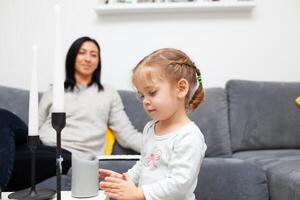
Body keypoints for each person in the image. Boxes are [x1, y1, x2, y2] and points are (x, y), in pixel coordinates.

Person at [0, 36, 142, 190]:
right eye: (82, 53)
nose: (88, 58)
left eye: (94, 55)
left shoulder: (108, 93)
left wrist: (162, 144)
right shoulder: (54, 90)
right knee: (3, 116)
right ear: (72, 56)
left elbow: (127, 134)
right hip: (40, 146)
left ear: (98, 62)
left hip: (71, 155)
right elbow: (36, 127)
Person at [99, 48, 207, 200]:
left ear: (181, 88)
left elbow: (179, 184)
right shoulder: (150, 128)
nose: (145, 101)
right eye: (141, 95)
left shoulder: (189, 136)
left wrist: (137, 193)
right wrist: (127, 179)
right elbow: (145, 164)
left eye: (152, 92)